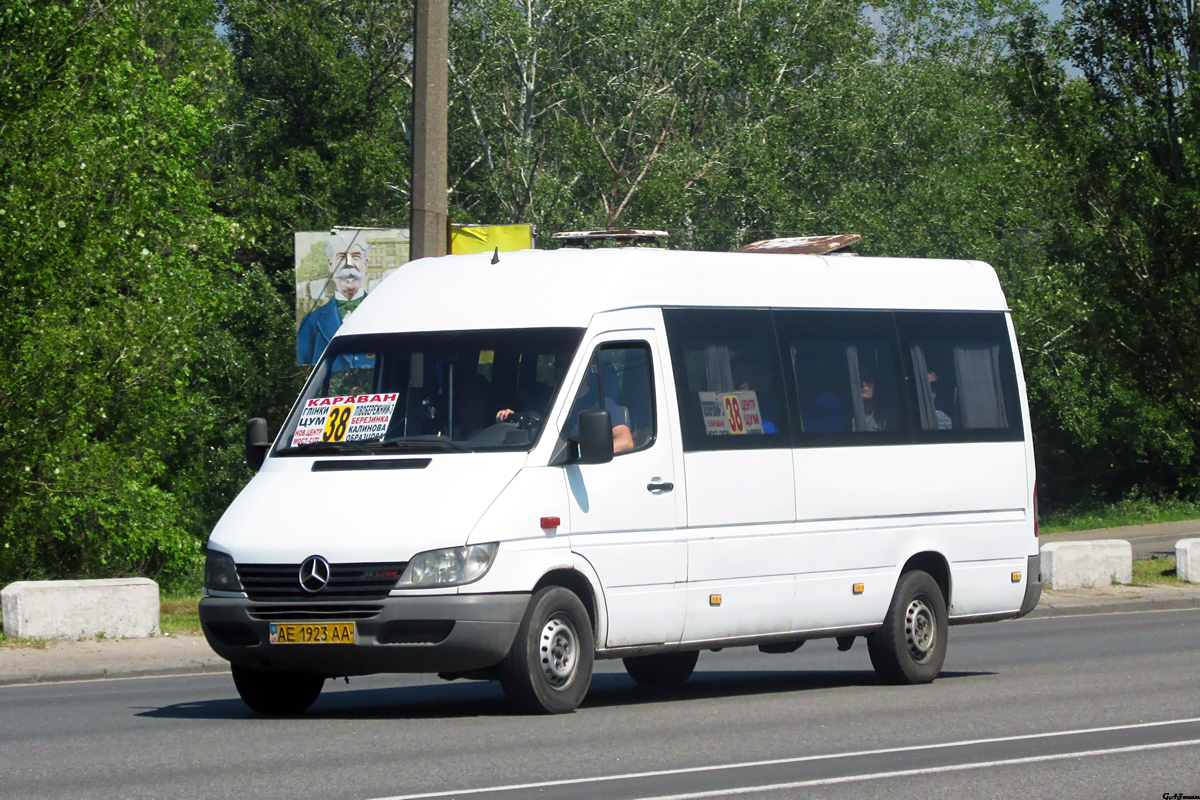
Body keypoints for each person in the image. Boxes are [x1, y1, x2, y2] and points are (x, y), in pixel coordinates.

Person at [297, 230, 373, 367]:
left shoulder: (385, 317)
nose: (349, 264)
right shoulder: (310, 323)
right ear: (330, 264)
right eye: (342, 257)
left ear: (365, 264)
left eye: (356, 256)